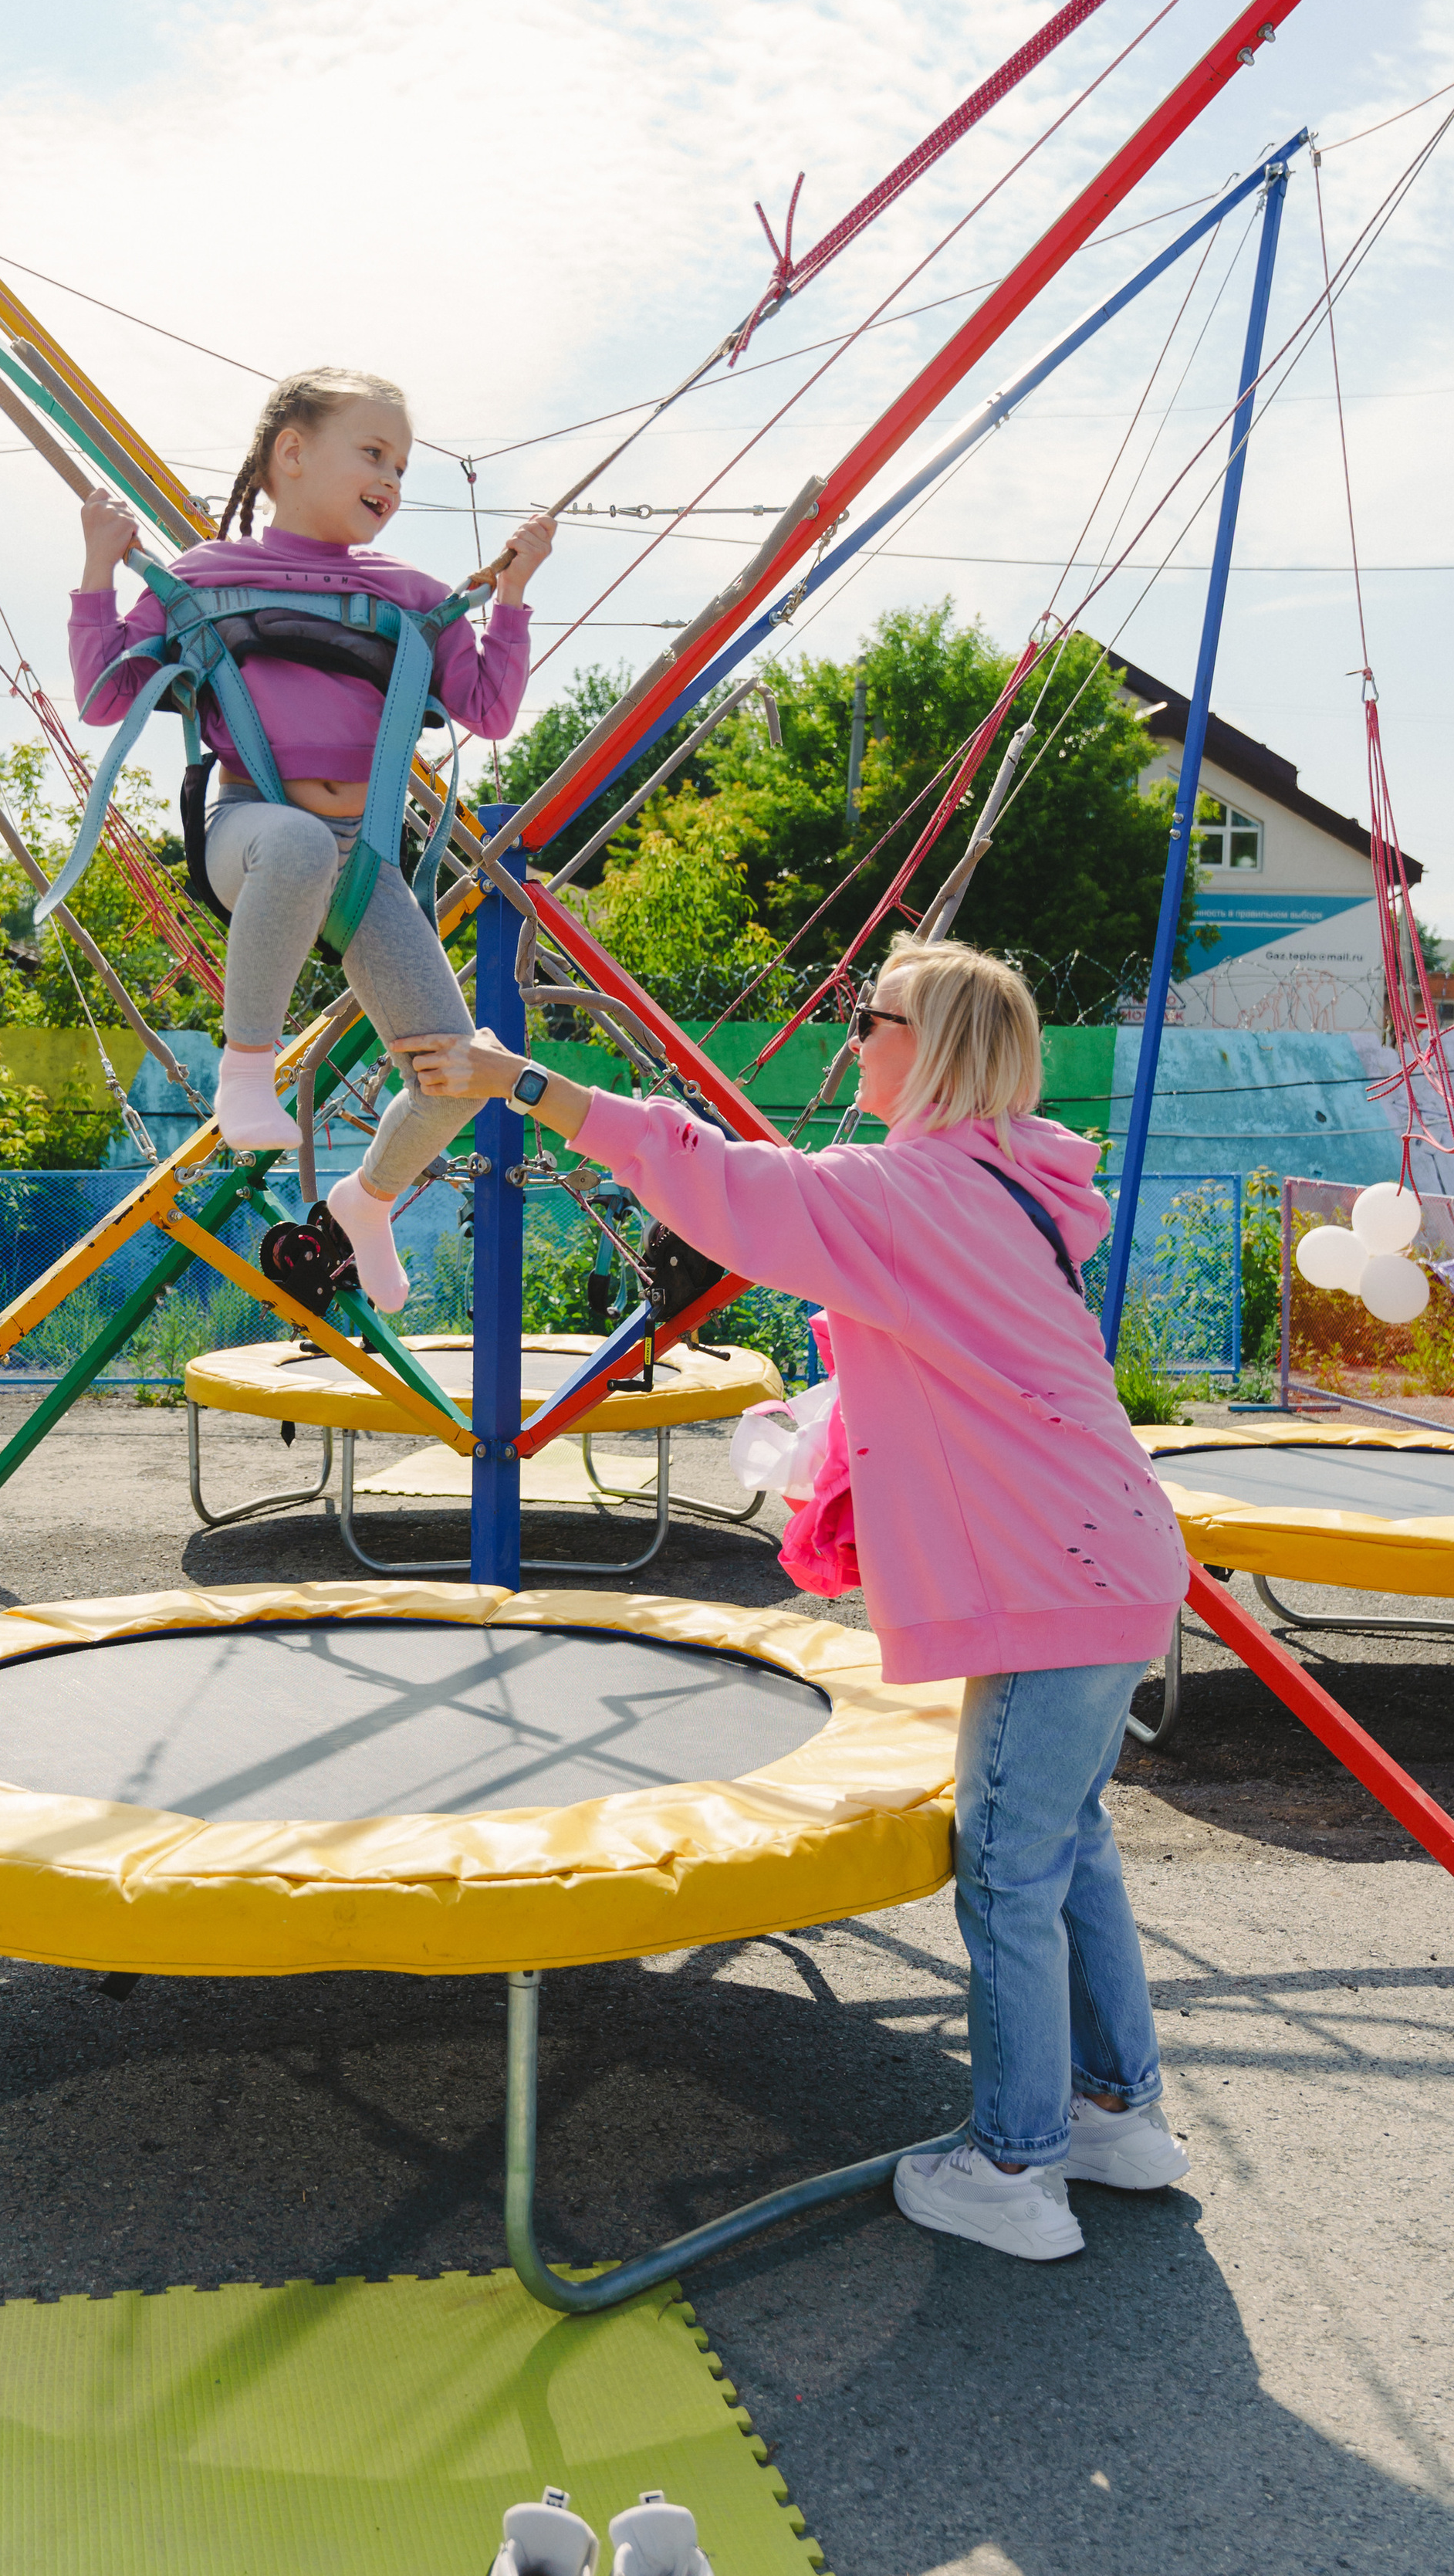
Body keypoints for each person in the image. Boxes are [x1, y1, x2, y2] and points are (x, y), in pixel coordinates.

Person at [404, 934, 1192, 2262]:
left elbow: (713, 1176)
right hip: (1104, 1553)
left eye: (868, 1015)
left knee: (1004, 1862)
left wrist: (520, 1081)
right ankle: (1116, 2106)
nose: (849, 1037)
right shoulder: (1011, 1184)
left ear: (926, 1043)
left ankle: (1013, 2165)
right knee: (1070, 1844)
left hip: (1053, 1570)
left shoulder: (909, 1193)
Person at [69, 367, 552, 1308]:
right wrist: (98, 565)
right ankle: (245, 1076)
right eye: (372, 452)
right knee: (292, 842)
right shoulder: (204, 577)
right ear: (291, 454)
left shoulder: (412, 596)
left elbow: (488, 712)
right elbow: (101, 697)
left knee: (458, 1074)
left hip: (361, 857)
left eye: (401, 465)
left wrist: (514, 597)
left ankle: (364, 1203)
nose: (391, 478)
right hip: (247, 829)